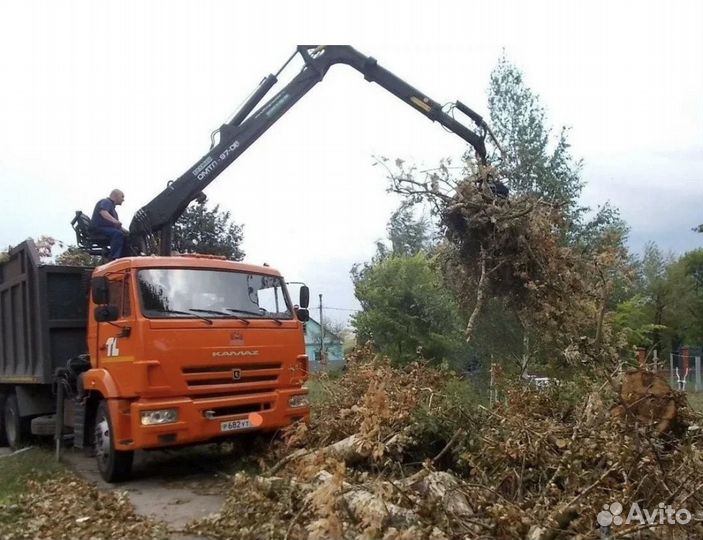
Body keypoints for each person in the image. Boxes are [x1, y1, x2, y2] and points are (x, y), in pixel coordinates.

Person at [90, 189, 126, 259]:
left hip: (104, 229)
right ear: (116, 196)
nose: (123, 199)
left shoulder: (112, 207)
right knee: (118, 234)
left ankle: (122, 257)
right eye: (122, 197)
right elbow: (103, 212)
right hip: (98, 229)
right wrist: (114, 221)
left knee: (124, 235)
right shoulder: (106, 202)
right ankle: (114, 258)